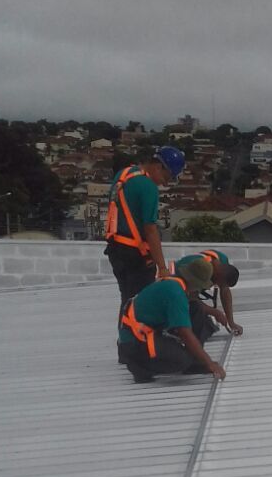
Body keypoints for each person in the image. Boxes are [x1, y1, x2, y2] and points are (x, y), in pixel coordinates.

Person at [103, 146, 186, 307]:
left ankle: (125, 323)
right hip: (135, 255)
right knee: (141, 304)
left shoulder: (124, 174)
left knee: (128, 300)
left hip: (116, 249)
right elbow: (150, 229)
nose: (165, 182)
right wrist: (162, 267)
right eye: (167, 176)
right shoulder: (148, 187)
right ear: (158, 166)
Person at [118, 269, 226, 384]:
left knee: (195, 309)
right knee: (182, 360)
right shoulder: (176, 294)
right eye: (200, 288)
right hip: (135, 342)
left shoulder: (175, 284)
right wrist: (209, 363)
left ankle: (195, 362)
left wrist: (215, 313)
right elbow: (185, 333)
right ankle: (140, 367)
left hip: (145, 333)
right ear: (194, 285)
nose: (199, 292)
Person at [174, 250, 243, 338]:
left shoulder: (222, 261)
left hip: (190, 289)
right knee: (197, 326)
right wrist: (215, 312)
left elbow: (225, 291)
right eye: (219, 284)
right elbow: (191, 299)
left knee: (207, 326)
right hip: (175, 293)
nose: (216, 285)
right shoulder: (197, 271)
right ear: (217, 275)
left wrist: (231, 322)